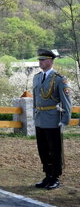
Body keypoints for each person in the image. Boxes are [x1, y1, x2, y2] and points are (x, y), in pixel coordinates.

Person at [32, 49, 72, 190]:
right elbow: (35, 99)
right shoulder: (36, 77)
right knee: (42, 149)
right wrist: (34, 115)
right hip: (40, 119)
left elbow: (66, 101)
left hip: (53, 119)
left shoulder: (59, 79)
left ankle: (55, 177)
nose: (40, 62)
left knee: (54, 150)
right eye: (39, 60)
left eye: (42, 60)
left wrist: (65, 120)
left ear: (49, 61)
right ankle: (47, 175)